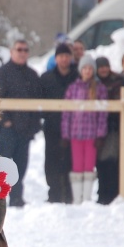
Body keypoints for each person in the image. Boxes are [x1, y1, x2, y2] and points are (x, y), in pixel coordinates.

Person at [0, 39, 43, 207]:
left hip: (25, 131)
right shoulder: (2, 73)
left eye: (25, 49)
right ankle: (0, 198)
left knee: (21, 166)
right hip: (7, 130)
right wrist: (5, 121)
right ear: (11, 51)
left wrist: (34, 126)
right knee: (4, 166)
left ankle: (17, 197)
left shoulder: (33, 75)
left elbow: (38, 102)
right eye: (19, 49)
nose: (22, 52)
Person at [62, 54, 108, 204]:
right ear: (81, 70)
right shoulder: (73, 88)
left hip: (91, 134)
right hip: (75, 133)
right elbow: (66, 113)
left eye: (90, 68)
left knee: (89, 165)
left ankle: (87, 198)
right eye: (85, 68)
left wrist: (101, 134)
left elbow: (103, 113)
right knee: (77, 166)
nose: (87, 71)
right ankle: (77, 199)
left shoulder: (99, 88)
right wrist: (65, 134)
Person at [41, 42, 79, 203]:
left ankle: (70, 194)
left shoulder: (78, 77)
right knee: (52, 162)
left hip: (74, 127)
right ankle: (54, 194)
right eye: (61, 56)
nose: (64, 59)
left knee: (70, 161)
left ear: (71, 58)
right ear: (56, 58)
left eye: (66, 56)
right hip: (52, 127)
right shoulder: (46, 78)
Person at [94, 56, 124, 204]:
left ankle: (112, 194)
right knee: (100, 162)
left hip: (113, 127)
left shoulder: (118, 80)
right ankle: (103, 193)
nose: (103, 69)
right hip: (95, 127)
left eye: (105, 66)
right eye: (100, 67)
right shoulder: (93, 83)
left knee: (111, 161)